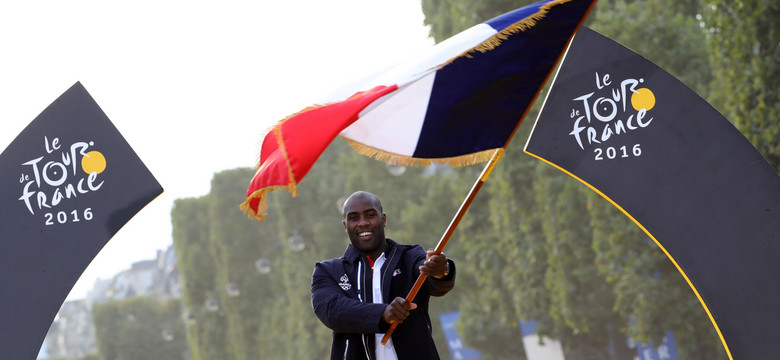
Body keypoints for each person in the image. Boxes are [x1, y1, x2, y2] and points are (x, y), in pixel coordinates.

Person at [311, 191, 456, 360]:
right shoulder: (328, 271)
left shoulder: (410, 256)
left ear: (384, 219)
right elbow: (332, 310)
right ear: (345, 226)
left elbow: (435, 282)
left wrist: (441, 271)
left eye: (370, 215)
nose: (363, 223)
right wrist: (383, 313)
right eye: (354, 218)